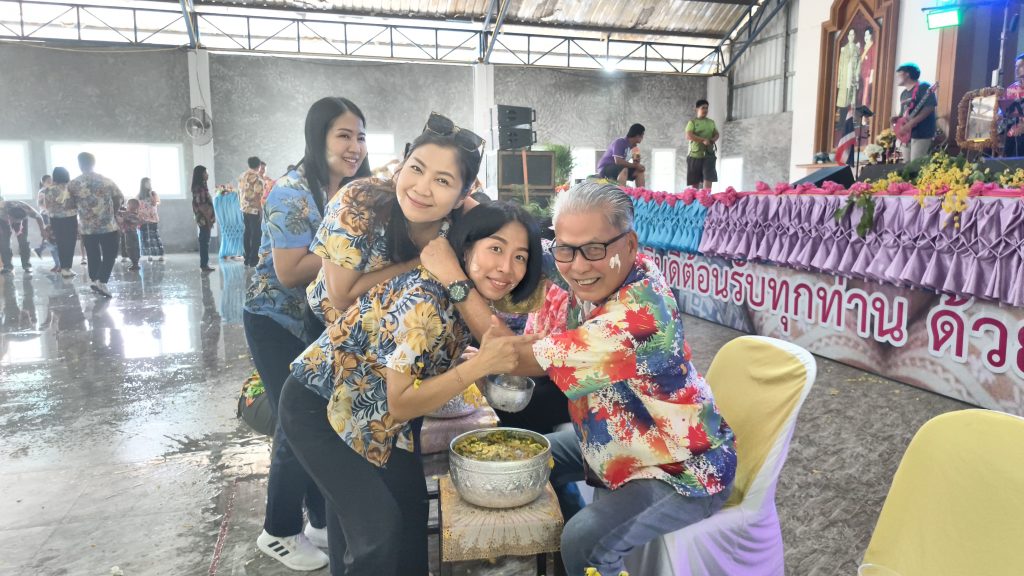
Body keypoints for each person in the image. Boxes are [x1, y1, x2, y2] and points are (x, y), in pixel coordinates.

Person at [421, 181, 737, 576]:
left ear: (630, 244)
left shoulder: (637, 319)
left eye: (594, 249)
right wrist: (459, 201)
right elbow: (539, 252)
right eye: (567, 249)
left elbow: (509, 356)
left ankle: (582, 553)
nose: (579, 266)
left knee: (582, 539)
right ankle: (564, 539)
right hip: (614, 435)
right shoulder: (610, 267)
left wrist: (453, 277)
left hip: (682, 467)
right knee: (520, 461)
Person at [282, 190, 542, 575]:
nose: (506, 267)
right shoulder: (426, 299)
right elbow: (402, 402)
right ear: (465, 248)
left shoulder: (461, 296)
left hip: (376, 417)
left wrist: (464, 361)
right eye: (496, 248)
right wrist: (478, 366)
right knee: (378, 531)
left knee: (407, 514)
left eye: (520, 257)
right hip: (322, 409)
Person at [279, 115, 491, 575]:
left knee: (406, 518)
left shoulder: (466, 222)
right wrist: (428, 262)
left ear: (464, 192)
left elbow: (507, 249)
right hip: (335, 367)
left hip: (396, 376)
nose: (422, 188)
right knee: (375, 530)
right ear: (402, 161)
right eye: (416, 168)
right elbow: (341, 293)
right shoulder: (361, 200)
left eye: (443, 180)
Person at [243, 97, 371, 572]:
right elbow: (291, 271)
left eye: (360, 136)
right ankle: (277, 531)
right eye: (344, 135)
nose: (355, 146)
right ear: (318, 137)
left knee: (323, 419)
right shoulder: (290, 192)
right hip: (276, 321)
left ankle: (318, 518)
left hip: (321, 323)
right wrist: (354, 248)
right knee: (294, 422)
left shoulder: (353, 191)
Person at [68, 152, 124, 297]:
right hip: (108, 225)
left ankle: (95, 280)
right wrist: (113, 212)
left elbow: (70, 205)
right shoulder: (106, 181)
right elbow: (119, 198)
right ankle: (101, 281)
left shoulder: (73, 184)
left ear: (80, 164)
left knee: (93, 255)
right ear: (94, 163)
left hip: (87, 227)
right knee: (110, 254)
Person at [38, 167, 79, 278]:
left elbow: (47, 205)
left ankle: (63, 268)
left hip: (55, 219)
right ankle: (67, 268)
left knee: (60, 243)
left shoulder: (48, 189)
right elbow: (77, 203)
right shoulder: (71, 188)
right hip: (70, 218)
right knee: (70, 243)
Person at [894, 63, 937, 162]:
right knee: (907, 165)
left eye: (898, 74)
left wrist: (912, 123)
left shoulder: (924, 87)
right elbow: (903, 114)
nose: (896, 77)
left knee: (915, 165)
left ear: (907, 74)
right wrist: (896, 120)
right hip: (906, 135)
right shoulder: (904, 94)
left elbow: (929, 107)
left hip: (921, 133)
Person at [0, 198, 46, 275]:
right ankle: (7, 266)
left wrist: (42, 230)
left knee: (23, 241)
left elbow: (39, 217)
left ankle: (27, 265)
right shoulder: (1, 208)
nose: (15, 222)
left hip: (22, 220)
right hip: (3, 220)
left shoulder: (27, 210)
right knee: (4, 242)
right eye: (15, 220)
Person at [686, 99, 719, 190]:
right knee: (694, 180)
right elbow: (689, 135)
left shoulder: (711, 122)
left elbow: (717, 134)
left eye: (707, 108)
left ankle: (706, 196)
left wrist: (712, 140)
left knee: (708, 177)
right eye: (703, 108)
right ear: (696, 109)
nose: (705, 110)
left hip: (709, 154)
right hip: (695, 155)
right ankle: (695, 196)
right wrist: (703, 140)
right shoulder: (692, 122)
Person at [239, 156, 265, 268]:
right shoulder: (257, 178)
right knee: (256, 234)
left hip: (244, 208)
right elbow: (258, 196)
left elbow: (240, 192)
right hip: (254, 210)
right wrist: (261, 210)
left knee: (247, 233)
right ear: (259, 166)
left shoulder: (242, 176)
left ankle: (246, 258)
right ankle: (254, 259)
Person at [191, 165, 216, 273]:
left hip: (205, 218)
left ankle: (205, 264)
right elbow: (202, 206)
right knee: (204, 241)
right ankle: (204, 265)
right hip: (204, 219)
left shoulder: (202, 186)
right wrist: (209, 221)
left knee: (205, 241)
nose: (207, 175)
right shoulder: (199, 188)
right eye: (206, 172)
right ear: (201, 174)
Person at [137, 178, 164, 262]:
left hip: (153, 219)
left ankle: (160, 255)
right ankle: (149, 255)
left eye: (149, 183)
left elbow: (154, 203)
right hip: (143, 220)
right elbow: (137, 206)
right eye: (147, 183)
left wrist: (150, 194)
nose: (149, 184)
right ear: (143, 184)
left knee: (155, 237)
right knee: (146, 238)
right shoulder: (139, 196)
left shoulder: (153, 193)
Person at [118, 199, 143, 271]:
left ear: (130, 206)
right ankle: (135, 263)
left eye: (127, 204)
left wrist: (122, 217)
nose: (126, 206)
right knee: (133, 248)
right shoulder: (132, 214)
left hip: (130, 234)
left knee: (131, 248)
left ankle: (135, 264)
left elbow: (123, 217)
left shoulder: (131, 215)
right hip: (131, 233)